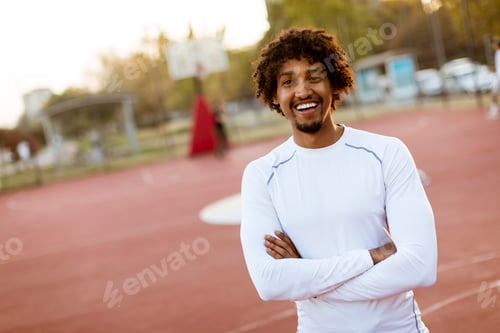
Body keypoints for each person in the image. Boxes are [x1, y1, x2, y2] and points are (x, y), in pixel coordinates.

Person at [240, 27, 437, 332]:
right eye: (288, 81)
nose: (302, 91)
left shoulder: (386, 153)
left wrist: (309, 281)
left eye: (314, 76)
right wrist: (371, 257)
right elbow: (269, 282)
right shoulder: (261, 175)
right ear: (275, 96)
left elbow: (420, 267)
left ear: (334, 83)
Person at [487, 39, 500, 120]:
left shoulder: (498, 53)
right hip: (497, 77)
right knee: (494, 94)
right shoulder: (497, 53)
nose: (493, 46)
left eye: (494, 44)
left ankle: (494, 112)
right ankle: (493, 111)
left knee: (494, 94)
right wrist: (493, 69)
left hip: (499, 78)